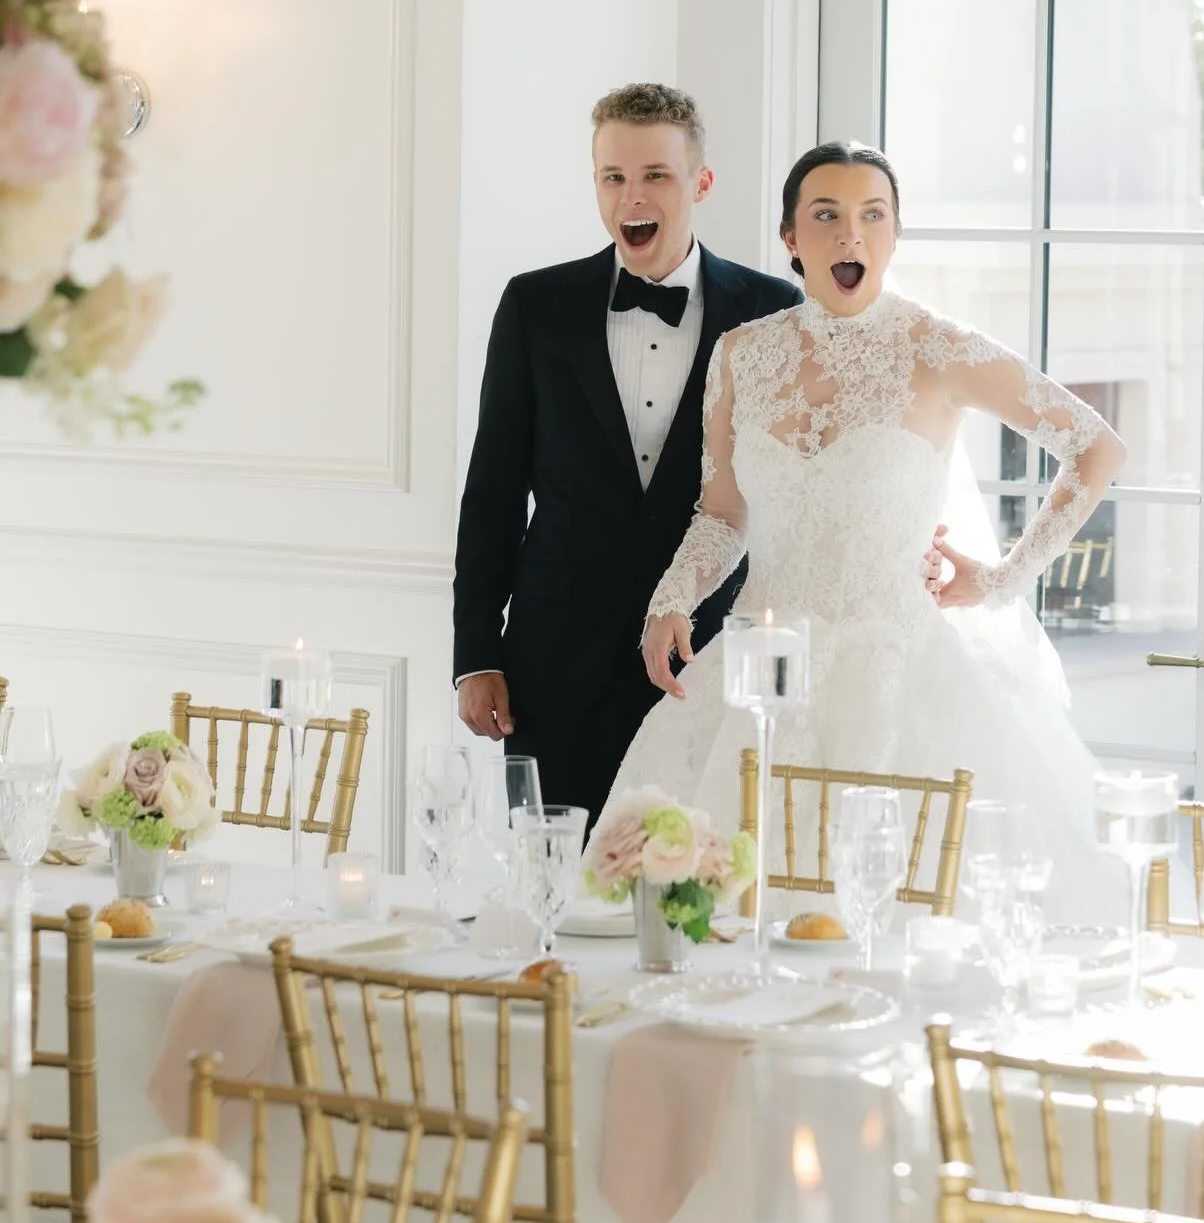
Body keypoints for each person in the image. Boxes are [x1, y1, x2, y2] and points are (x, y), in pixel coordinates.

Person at [606, 140, 1129, 911]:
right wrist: (672, 597)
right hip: (760, 679)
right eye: (826, 215)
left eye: (871, 215)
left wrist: (1001, 579)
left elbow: (1096, 446)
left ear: (893, 236)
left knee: (896, 924)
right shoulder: (740, 357)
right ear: (791, 238)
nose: (850, 234)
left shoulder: (939, 349)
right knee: (717, 920)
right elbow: (723, 515)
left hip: (899, 679)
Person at [453, 84, 802, 828]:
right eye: (613, 177)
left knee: (696, 890)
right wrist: (477, 655)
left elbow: (800, 480)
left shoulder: (773, 312)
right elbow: (492, 492)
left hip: (707, 660)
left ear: (700, 184)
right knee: (550, 883)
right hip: (554, 659)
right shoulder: (533, 306)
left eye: (655, 176)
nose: (631, 197)